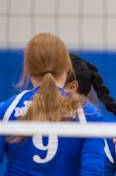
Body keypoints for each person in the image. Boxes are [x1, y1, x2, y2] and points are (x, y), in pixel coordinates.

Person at [0, 33, 105, 175]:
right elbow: (93, 172)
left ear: (28, 68)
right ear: (68, 66)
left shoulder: (6, 111)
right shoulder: (87, 113)